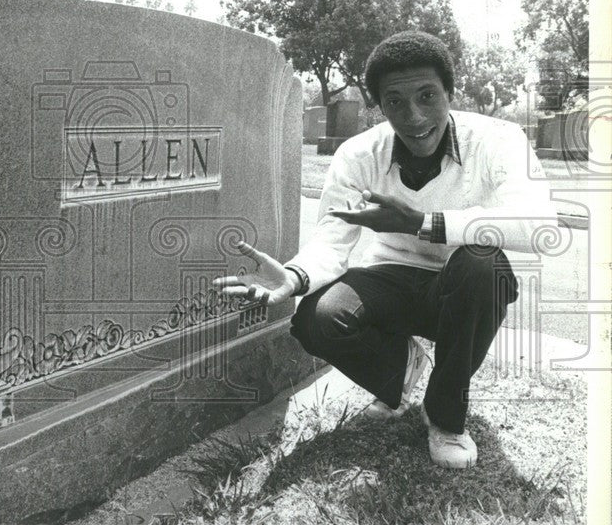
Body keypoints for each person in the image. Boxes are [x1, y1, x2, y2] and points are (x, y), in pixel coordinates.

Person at [214, 30, 558, 469]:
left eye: (427, 96)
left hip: (464, 283)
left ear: (450, 92)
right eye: (395, 101)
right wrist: (295, 276)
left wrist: (422, 224)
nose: (414, 117)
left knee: (482, 262)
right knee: (317, 319)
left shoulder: (498, 139)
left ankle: (445, 415)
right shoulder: (360, 154)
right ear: (379, 106)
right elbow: (332, 240)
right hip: (391, 277)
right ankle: (402, 371)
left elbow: (538, 224)